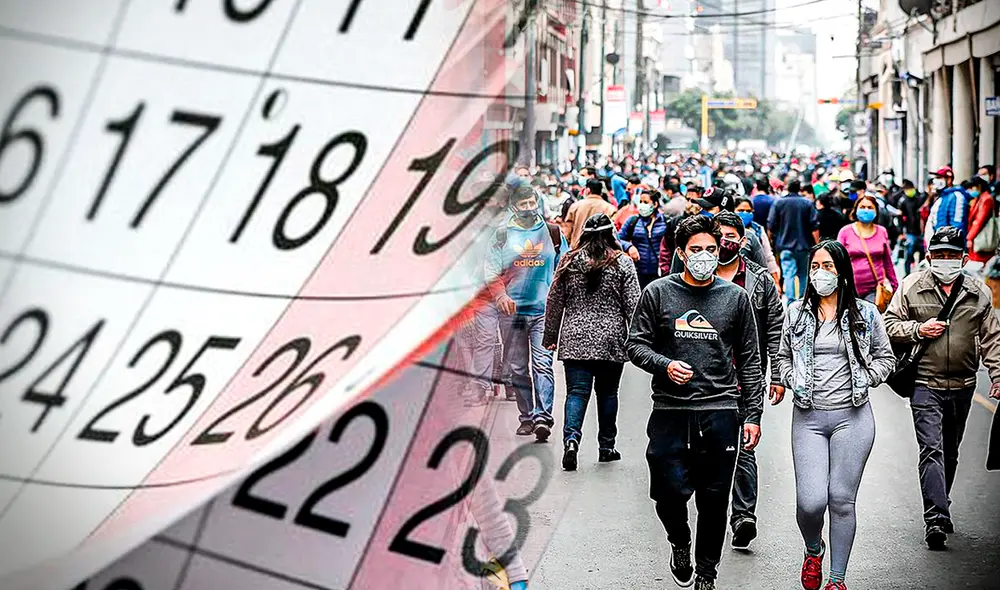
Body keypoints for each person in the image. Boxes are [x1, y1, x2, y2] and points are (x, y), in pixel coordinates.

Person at [627, 215, 764, 590]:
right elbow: (635, 345)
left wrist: (752, 415)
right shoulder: (657, 293)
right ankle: (679, 541)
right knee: (667, 492)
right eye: (696, 250)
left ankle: (707, 572)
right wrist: (665, 364)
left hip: (720, 410)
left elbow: (751, 359)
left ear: (720, 250)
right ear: (682, 254)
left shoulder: (735, 298)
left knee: (715, 499)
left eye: (710, 249)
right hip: (671, 411)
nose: (704, 256)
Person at [775, 240, 896, 590]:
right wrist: (790, 378)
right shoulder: (796, 312)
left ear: (842, 272)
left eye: (827, 266)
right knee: (811, 502)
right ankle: (814, 549)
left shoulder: (866, 314)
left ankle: (837, 580)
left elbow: (885, 358)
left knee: (842, 500)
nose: (819, 273)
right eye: (814, 266)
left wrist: (869, 377)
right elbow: (782, 357)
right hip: (809, 418)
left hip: (853, 418)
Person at [884, 226, 1000, 550]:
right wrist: (918, 329)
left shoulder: (978, 293)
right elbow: (889, 324)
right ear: (929, 257)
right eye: (939, 255)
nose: (945, 261)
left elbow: (992, 339)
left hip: (963, 383)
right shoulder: (911, 287)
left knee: (950, 450)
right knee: (931, 449)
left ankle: (941, 498)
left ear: (963, 258)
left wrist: (998, 375)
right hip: (925, 382)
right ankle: (935, 517)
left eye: (951, 256)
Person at [543, 213, 640, 471]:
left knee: (576, 393)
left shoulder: (568, 261)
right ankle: (606, 447)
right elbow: (633, 305)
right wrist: (641, 339)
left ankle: (571, 441)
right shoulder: (622, 263)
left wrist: (550, 336)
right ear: (611, 234)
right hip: (611, 338)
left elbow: (554, 301)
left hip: (575, 338)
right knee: (608, 394)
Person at [713, 211, 785, 551]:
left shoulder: (760, 280)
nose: (725, 242)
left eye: (731, 236)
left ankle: (743, 516)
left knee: (744, 447)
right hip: (704, 381)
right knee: (707, 452)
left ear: (743, 241)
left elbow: (775, 330)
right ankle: (710, 512)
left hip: (747, 378)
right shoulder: (694, 274)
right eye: (719, 235)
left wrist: (779, 375)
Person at [485, 184, 568, 442]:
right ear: (514, 207)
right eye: (524, 205)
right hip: (511, 315)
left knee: (543, 365)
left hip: (543, 312)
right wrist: (500, 295)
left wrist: (560, 300)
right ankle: (527, 417)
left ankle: (543, 417)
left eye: (533, 203)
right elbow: (491, 270)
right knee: (519, 368)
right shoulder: (501, 234)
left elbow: (563, 267)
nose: (530, 208)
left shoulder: (552, 233)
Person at [837, 195, 898, 304]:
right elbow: (837, 260)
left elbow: (887, 262)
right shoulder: (845, 232)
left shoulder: (882, 231)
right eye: (862, 207)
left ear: (876, 211)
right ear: (855, 210)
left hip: (875, 289)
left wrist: (895, 286)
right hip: (850, 288)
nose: (866, 210)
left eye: (870, 207)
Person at [768, 179, 820, 304]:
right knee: (804, 274)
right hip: (804, 246)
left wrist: (771, 241)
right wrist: (818, 244)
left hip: (785, 245)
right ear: (799, 189)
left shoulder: (779, 203)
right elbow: (814, 226)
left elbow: (770, 224)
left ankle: (791, 302)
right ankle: (803, 300)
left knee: (788, 274)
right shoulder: (807, 203)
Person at [620, 190, 669, 288]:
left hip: (660, 272)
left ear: (655, 204)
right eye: (641, 202)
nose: (642, 205)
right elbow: (617, 239)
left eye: (646, 202)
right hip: (638, 271)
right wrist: (629, 247)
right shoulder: (633, 221)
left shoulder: (666, 222)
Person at [734, 196, 781, 288]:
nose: (745, 213)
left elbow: (768, 256)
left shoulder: (758, 230)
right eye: (741, 210)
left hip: (754, 279)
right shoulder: (727, 230)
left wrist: (775, 281)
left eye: (748, 211)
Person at [565, 178, 617, 248]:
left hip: (577, 249)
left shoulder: (575, 207)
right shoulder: (610, 209)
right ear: (601, 192)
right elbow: (613, 233)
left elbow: (567, 231)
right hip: (601, 250)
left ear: (588, 190)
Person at [928, 166, 971, 237]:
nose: (935, 181)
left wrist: (950, 243)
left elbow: (957, 225)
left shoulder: (956, 197)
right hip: (940, 240)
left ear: (949, 180)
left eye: (939, 178)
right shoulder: (942, 197)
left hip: (949, 243)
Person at [965, 176, 996, 274]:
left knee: (980, 268)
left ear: (979, 186)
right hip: (977, 239)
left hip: (981, 239)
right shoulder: (979, 199)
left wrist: (969, 237)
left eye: (973, 187)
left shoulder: (986, 199)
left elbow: (979, 221)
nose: (972, 190)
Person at [898, 179, 926, 275]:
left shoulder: (919, 199)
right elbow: (900, 218)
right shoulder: (903, 202)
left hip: (920, 232)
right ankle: (907, 274)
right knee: (909, 254)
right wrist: (901, 232)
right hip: (910, 232)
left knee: (923, 252)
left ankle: (921, 273)